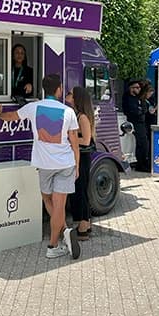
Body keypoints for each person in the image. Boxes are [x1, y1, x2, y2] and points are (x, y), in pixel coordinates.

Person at [0, 74, 81, 260]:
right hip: (65, 164)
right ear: (59, 89)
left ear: (43, 89)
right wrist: (77, 165)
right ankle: (58, 239)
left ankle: (55, 242)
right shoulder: (68, 111)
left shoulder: (33, 107)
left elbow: (11, 117)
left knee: (48, 200)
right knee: (59, 206)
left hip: (44, 165)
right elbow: (74, 142)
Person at [69, 87, 96, 240]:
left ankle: (83, 225)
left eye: (71, 94)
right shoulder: (77, 115)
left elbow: (85, 141)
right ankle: (86, 223)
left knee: (80, 190)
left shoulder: (82, 117)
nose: (68, 95)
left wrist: (69, 139)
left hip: (83, 157)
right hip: (78, 156)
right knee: (79, 190)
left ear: (77, 98)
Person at [122, 79, 149, 172]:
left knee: (144, 144)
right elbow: (132, 111)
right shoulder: (127, 98)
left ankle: (143, 162)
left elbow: (144, 109)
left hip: (141, 122)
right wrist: (139, 111)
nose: (138, 89)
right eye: (136, 88)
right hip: (134, 122)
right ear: (131, 88)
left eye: (139, 88)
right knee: (141, 143)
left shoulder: (139, 98)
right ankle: (141, 165)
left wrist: (140, 110)